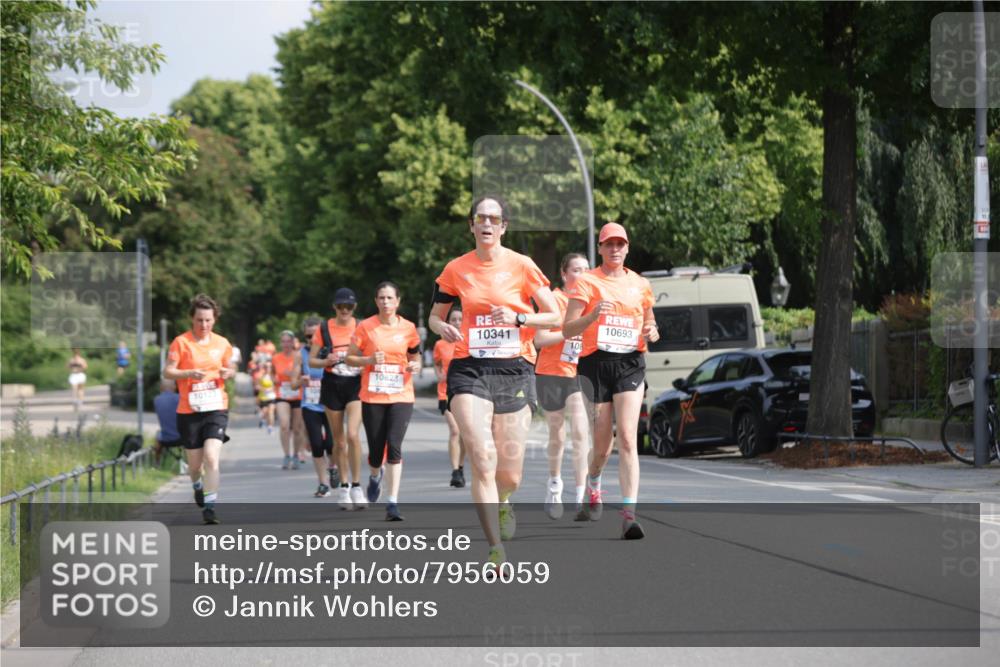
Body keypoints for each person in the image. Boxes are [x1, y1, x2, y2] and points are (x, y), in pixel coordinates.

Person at [428, 195, 560, 565]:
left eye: (494, 218)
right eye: (480, 218)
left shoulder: (522, 266)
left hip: (514, 368)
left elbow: (552, 316)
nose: (487, 224)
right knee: (483, 456)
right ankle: (494, 548)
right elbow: (435, 317)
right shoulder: (456, 269)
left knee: (510, 473)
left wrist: (519, 319)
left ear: (503, 226)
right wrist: (443, 330)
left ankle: (504, 500)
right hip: (469, 368)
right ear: (471, 225)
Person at [562, 222, 659, 540]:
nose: (615, 249)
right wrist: (592, 316)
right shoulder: (586, 283)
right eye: (609, 244)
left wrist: (652, 331)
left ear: (627, 248)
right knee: (602, 446)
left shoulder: (641, 284)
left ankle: (629, 516)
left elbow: (649, 321)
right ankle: (594, 483)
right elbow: (568, 329)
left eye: (620, 244)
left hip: (630, 364)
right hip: (595, 364)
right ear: (600, 249)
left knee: (629, 439)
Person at [346, 281, 421, 521]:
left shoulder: (408, 327)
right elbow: (349, 358)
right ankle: (375, 475)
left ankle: (392, 502)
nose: (386, 302)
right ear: (376, 301)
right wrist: (368, 360)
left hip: (402, 394)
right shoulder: (366, 327)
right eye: (381, 298)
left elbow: (414, 353)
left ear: (398, 301)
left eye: (390, 298)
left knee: (395, 446)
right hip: (373, 396)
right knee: (377, 450)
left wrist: (415, 364)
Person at [163, 294, 236, 525]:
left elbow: (230, 365)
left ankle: (210, 507)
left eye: (208, 320)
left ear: (214, 320)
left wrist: (229, 372)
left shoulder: (222, 343)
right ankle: (197, 485)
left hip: (216, 407)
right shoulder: (181, 343)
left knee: (212, 458)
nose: (203, 325)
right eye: (199, 320)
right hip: (189, 411)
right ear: (192, 320)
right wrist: (187, 373)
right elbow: (168, 371)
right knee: (195, 466)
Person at [532, 253, 591, 519]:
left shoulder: (591, 303)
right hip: (550, 372)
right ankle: (554, 485)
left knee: (580, 432)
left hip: (578, 374)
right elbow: (539, 340)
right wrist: (566, 333)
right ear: (564, 274)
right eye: (577, 269)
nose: (583, 274)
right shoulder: (553, 300)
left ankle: (581, 496)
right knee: (557, 435)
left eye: (587, 269)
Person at [310, 288, 366, 510]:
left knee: (353, 435)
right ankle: (343, 487)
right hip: (332, 384)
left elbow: (371, 353)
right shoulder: (324, 328)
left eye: (349, 307)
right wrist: (326, 361)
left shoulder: (362, 327)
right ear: (334, 307)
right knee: (339, 440)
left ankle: (357, 486)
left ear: (354, 308)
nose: (345, 310)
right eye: (341, 306)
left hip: (355, 385)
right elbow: (312, 361)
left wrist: (362, 363)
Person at [299, 317, 338, 497]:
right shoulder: (301, 354)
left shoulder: (332, 352)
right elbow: (292, 383)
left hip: (330, 403)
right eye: (308, 335)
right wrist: (301, 380)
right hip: (310, 404)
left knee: (331, 444)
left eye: (315, 334)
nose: (311, 339)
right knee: (316, 445)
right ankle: (323, 484)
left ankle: (333, 467)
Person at [433, 308, 466, 488]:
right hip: (445, 392)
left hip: (465, 392)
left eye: (460, 319)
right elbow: (437, 363)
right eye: (453, 319)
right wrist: (439, 374)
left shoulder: (468, 341)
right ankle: (455, 471)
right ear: (448, 322)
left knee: (464, 434)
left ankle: (460, 467)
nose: (457, 322)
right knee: (455, 430)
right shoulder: (440, 344)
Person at [273, 331, 304, 470]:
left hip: (297, 394)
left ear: (293, 343)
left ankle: (296, 455)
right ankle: (287, 455)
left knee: (297, 428)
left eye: (288, 341)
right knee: (284, 425)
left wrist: (294, 375)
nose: (286, 344)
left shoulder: (299, 356)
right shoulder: (276, 358)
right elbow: (272, 373)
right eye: (283, 341)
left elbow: (305, 373)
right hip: (282, 394)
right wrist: (274, 378)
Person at [153, 379, 182, 466]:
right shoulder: (180, 398)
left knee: (158, 434)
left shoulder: (157, 400)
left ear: (161, 387)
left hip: (165, 438)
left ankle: (157, 463)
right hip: (183, 438)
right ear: (175, 387)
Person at [257, 361, 278, 438]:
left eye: (269, 367)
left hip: (272, 397)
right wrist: (263, 389)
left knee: (271, 411)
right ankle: (263, 420)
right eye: (266, 367)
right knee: (265, 412)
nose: (268, 368)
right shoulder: (261, 376)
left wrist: (272, 388)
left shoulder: (274, 376)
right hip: (263, 397)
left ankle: (270, 427)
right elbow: (257, 386)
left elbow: (277, 384)